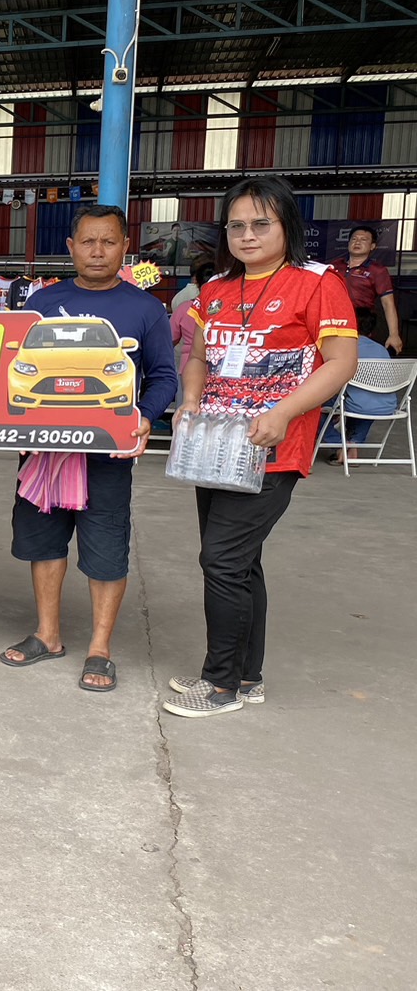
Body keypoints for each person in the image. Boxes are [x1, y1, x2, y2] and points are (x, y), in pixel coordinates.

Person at [165, 176, 358, 718]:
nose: (247, 235)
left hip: (274, 447)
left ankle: (220, 685)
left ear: (286, 226)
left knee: (222, 561)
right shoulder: (216, 289)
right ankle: (245, 677)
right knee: (240, 563)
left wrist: (283, 413)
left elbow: (342, 362)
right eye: (236, 226)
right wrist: (190, 399)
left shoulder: (317, 284)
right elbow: (199, 357)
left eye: (260, 224)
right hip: (215, 446)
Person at [0, 205, 178, 692]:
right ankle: (48, 634)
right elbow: (8, 368)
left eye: (109, 241)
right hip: (41, 452)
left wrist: (144, 416)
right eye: (88, 241)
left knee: (106, 550)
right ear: (71, 247)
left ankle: (100, 648)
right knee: (43, 543)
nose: (98, 251)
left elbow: (164, 376)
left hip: (107, 455)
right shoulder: (41, 302)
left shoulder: (145, 309)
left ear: (125, 248)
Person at [321, 335, 400, 464]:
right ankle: (354, 442)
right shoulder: (381, 349)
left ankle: (340, 446)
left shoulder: (344, 348)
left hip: (356, 403)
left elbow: (332, 382)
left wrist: (334, 406)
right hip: (386, 405)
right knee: (367, 399)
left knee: (312, 407)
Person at [331, 224, 402, 353]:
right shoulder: (334, 266)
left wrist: (394, 334)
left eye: (363, 239)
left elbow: (388, 304)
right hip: (331, 320)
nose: (357, 242)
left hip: (360, 323)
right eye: (354, 239)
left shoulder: (377, 270)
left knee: (354, 357)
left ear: (372, 246)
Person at [172, 260, 218, 376]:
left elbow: (169, 338)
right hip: (217, 366)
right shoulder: (226, 310)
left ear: (196, 282)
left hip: (187, 367)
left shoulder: (185, 308)